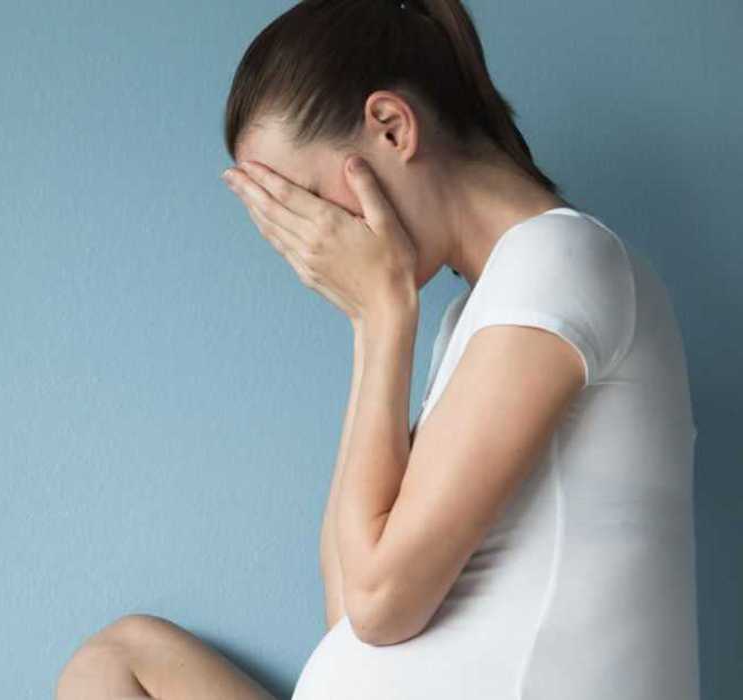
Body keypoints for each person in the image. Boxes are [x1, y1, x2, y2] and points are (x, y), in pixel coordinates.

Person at [53, 0, 700, 697]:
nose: (310, 244)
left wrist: (380, 317)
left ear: (390, 128)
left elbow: (379, 603)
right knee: (118, 658)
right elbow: (350, 608)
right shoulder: (477, 313)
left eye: (302, 199)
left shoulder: (559, 259)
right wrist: (379, 325)